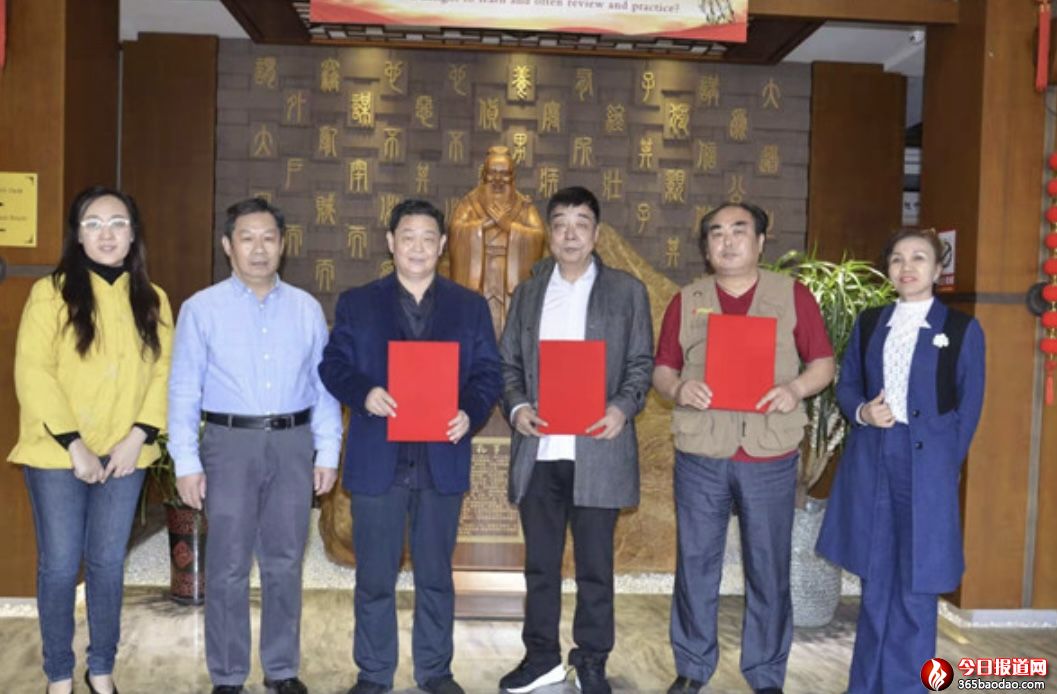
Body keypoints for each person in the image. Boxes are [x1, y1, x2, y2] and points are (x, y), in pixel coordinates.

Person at [318, 199, 502, 694]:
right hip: (379, 462)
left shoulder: (468, 306)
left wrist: (470, 411)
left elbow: (489, 373)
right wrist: (364, 393)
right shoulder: (359, 303)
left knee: (436, 577)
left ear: (442, 245)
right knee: (374, 577)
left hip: (441, 461)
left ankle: (435, 671)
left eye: (427, 238)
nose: (417, 247)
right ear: (390, 243)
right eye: (407, 237)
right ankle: (374, 674)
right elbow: (332, 366)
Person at [652, 202, 835, 694]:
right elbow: (663, 368)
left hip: (769, 454)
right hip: (702, 453)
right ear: (706, 246)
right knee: (696, 564)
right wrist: (678, 388)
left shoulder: (792, 296)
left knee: (769, 567)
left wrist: (795, 389)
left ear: (760, 241)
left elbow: (823, 364)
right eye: (716, 233)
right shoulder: (687, 300)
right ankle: (692, 667)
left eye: (739, 231)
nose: (727, 241)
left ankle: (766, 673)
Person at [167, 197, 343, 694]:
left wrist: (328, 451)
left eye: (269, 238)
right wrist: (186, 460)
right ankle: (227, 675)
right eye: (247, 238)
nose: (259, 248)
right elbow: (183, 388)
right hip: (229, 444)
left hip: (292, 443)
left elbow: (323, 387)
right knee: (227, 565)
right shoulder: (201, 309)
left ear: (283, 245)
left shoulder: (306, 308)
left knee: (285, 562)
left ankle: (282, 670)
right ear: (228, 245)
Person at [10, 186, 173, 694]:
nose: (107, 234)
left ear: (133, 235)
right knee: (60, 566)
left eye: (118, 223)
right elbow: (33, 371)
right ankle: (58, 674)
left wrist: (138, 436)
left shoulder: (154, 299)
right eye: (94, 224)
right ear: (77, 236)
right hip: (58, 454)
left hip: (127, 454)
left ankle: (101, 668)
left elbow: (165, 373)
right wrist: (74, 444)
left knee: (106, 565)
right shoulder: (50, 292)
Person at [497, 186, 654, 694]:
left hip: (598, 450)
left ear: (596, 233)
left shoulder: (626, 292)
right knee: (540, 567)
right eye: (561, 223)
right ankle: (540, 657)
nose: (570, 234)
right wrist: (517, 408)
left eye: (581, 224)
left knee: (595, 569)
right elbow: (508, 364)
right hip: (541, 450)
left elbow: (641, 363)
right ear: (549, 233)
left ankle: (591, 660)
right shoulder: (529, 293)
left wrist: (622, 407)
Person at [816, 229, 985, 693]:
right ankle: (865, 685)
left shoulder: (961, 329)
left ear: (938, 269)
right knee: (875, 581)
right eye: (897, 259)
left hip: (926, 466)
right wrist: (862, 412)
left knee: (917, 583)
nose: (906, 267)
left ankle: (907, 686)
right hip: (874, 459)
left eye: (918, 258)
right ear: (888, 269)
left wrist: (944, 467)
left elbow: (969, 407)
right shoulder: (871, 322)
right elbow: (848, 383)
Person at [447, 145, 546, 334]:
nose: (498, 180)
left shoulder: (523, 206)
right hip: (478, 277)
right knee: (474, 325)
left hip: (510, 279)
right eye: (492, 173)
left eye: (504, 174)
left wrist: (507, 225)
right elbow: (456, 230)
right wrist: (484, 225)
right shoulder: (470, 202)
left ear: (513, 176)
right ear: (483, 175)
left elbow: (538, 235)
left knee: (509, 327)